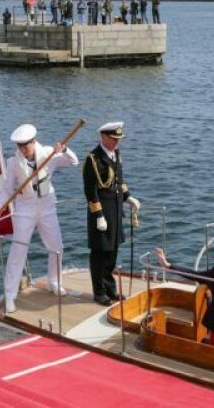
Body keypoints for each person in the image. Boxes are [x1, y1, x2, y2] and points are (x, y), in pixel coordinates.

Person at [0, 124, 79, 314]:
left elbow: (74, 162)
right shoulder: (13, 163)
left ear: (34, 141)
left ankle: (54, 282)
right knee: (18, 251)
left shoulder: (49, 153)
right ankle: (10, 295)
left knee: (56, 247)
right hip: (25, 209)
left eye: (26, 145)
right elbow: (7, 190)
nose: (24, 149)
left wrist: (64, 150)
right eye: (20, 146)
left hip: (47, 207)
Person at [82, 122, 140, 306]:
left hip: (115, 211)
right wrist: (98, 215)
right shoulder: (94, 159)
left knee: (112, 252)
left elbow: (119, 181)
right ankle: (99, 292)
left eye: (118, 140)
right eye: (114, 139)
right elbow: (91, 191)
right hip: (101, 213)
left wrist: (128, 198)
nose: (117, 143)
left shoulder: (116, 155)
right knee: (99, 253)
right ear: (104, 137)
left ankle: (110, 288)